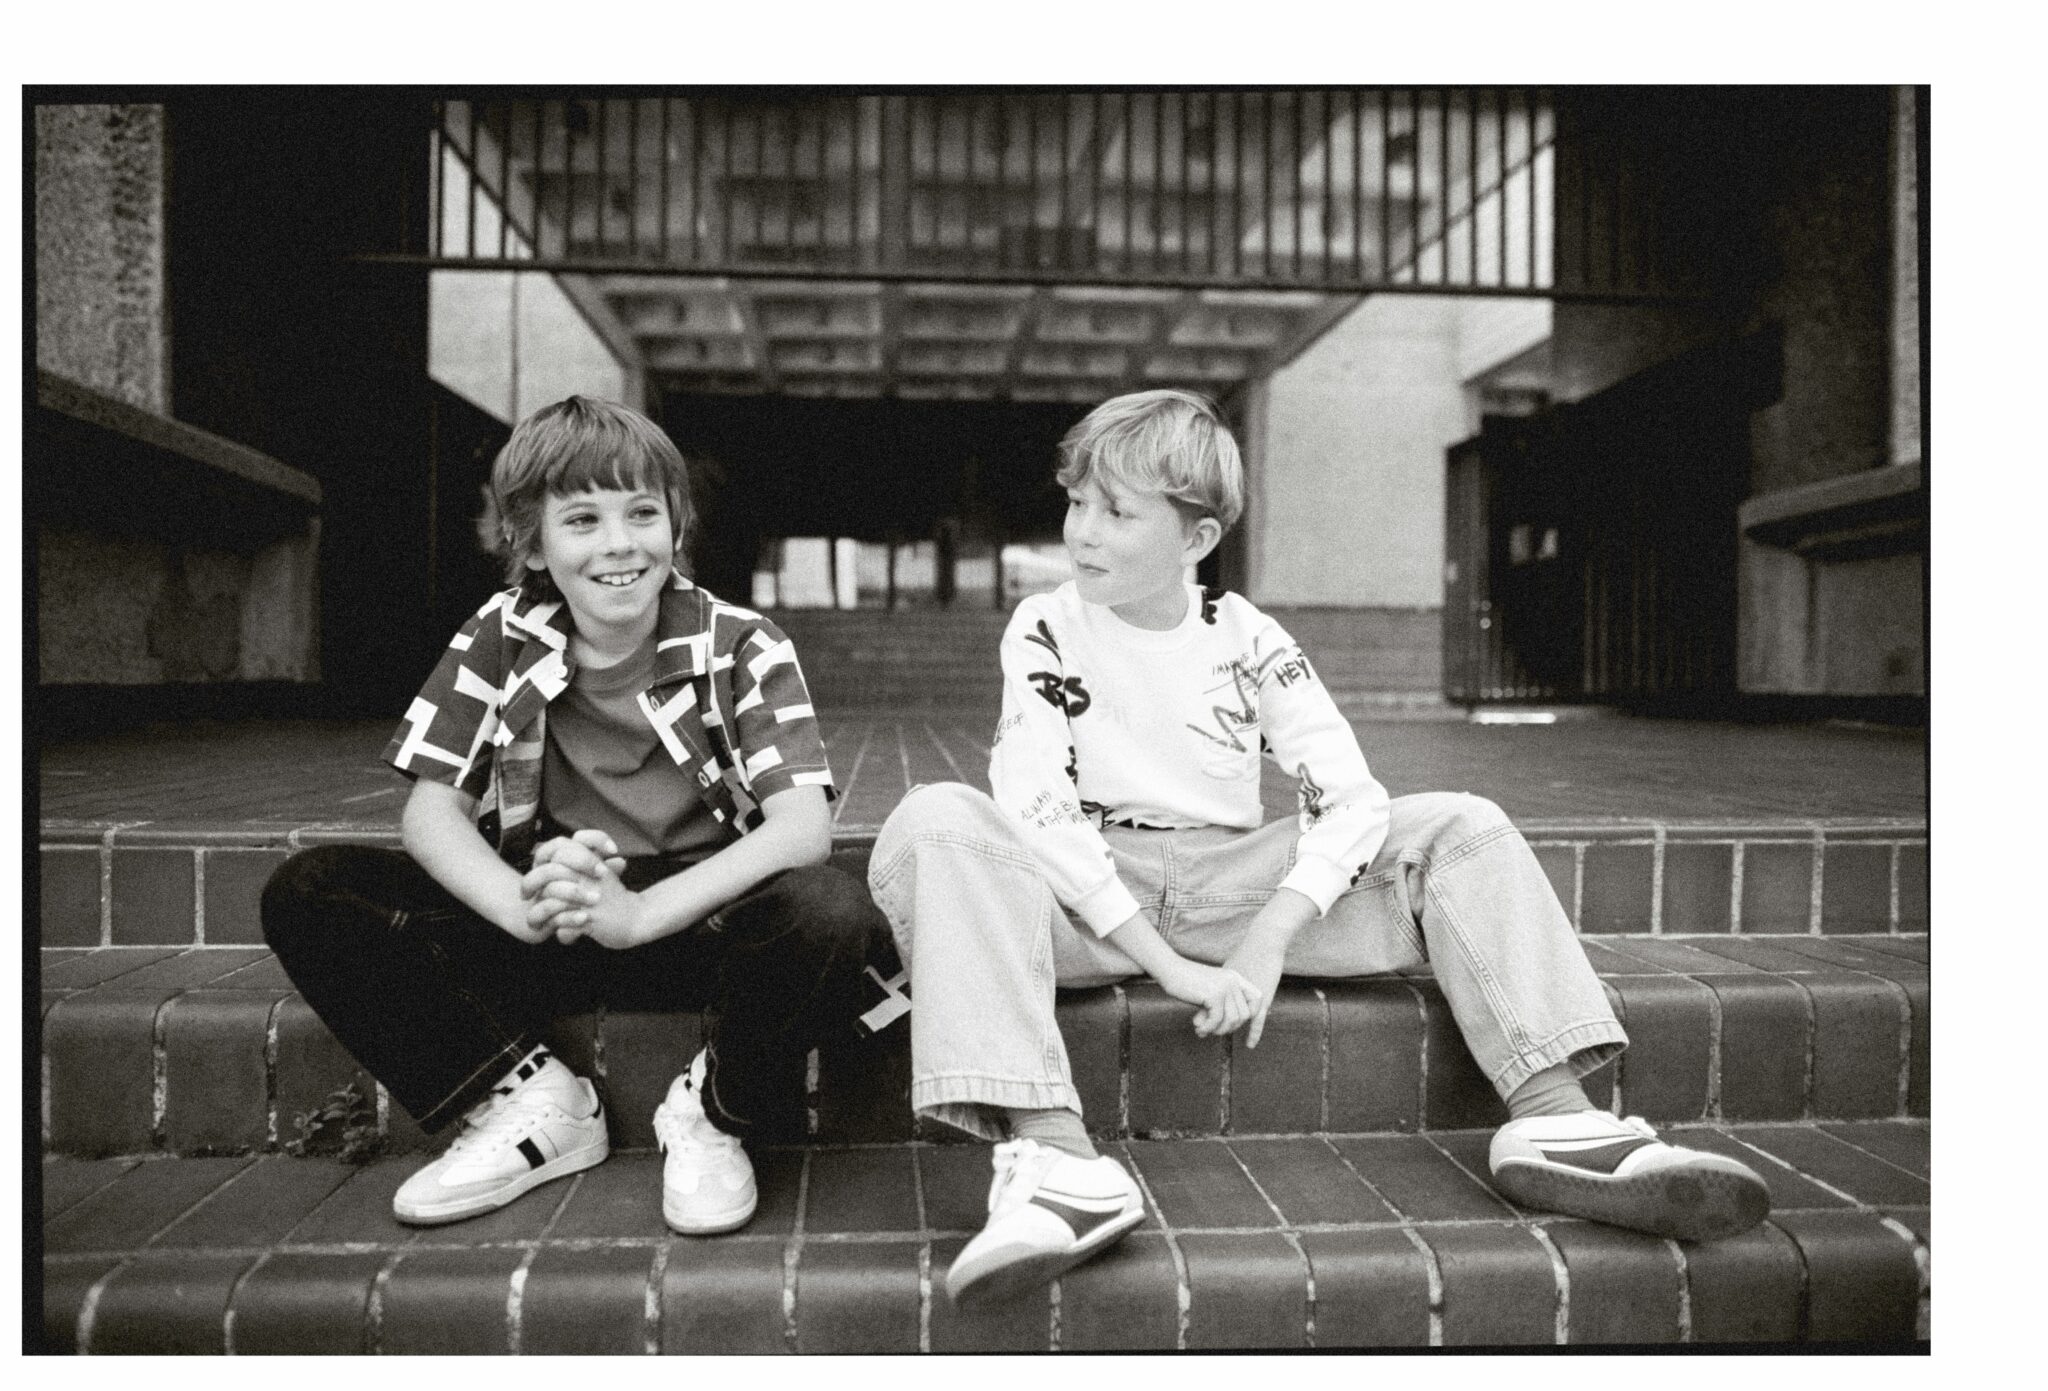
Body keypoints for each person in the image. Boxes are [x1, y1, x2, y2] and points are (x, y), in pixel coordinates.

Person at [867, 388, 1771, 1305]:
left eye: (1117, 512)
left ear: (1197, 539)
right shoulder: (1047, 623)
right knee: (938, 815)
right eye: (1078, 502)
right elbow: (1036, 801)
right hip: (1082, 900)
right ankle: (1059, 1162)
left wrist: (1268, 938)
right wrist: (1165, 966)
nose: (1083, 532)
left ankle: (1558, 1122)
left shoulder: (1249, 636)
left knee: (1460, 824)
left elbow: (1350, 796)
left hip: (1229, 887)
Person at [263, 396, 892, 1233]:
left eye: (642, 512)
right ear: (531, 539)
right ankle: (533, 1097)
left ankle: (714, 1112)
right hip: (554, 912)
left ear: (678, 523)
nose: (619, 543)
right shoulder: (499, 631)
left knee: (828, 908)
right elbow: (432, 815)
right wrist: (519, 904)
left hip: (700, 921)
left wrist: (637, 915)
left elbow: (800, 827)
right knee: (315, 888)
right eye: (583, 519)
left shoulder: (739, 640)